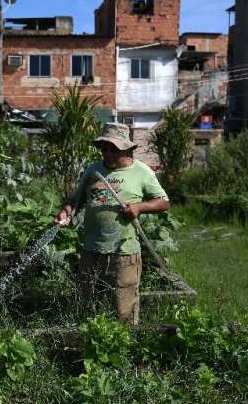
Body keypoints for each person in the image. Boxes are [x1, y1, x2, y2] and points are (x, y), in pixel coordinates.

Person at [55, 122, 170, 325]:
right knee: (87, 303)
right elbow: (76, 199)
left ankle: (124, 348)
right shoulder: (93, 170)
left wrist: (138, 207)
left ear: (126, 148)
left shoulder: (141, 172)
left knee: (123, 309)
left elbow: (163, 202)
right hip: (92, 250)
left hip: (124, 252)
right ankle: (88, 346)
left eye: (113, 149)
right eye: (104, 148)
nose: (107, 153)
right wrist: (66, 211)